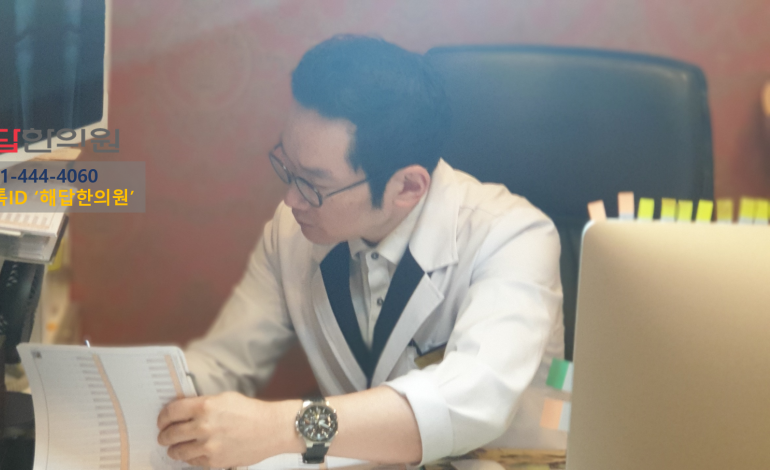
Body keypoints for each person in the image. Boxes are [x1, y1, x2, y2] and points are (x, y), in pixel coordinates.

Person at [156, 34, 565, 468]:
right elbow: (224, 361)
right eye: (287, 167)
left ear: (407, 187)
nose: (292, 200)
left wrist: (281, 427)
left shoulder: (514, 235)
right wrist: (149, 398)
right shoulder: (294, 230)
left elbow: (474, 400)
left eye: (314, 182)